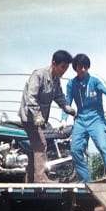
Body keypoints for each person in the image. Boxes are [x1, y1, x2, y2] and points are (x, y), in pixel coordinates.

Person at [19, 50, 76, 183]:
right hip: (29, 117)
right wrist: (37, 115)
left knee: (36, 146)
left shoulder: (55, 80)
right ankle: (40, 179)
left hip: (39, 119)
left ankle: (30, 179)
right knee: (41, 144)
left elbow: (59, 97)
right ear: (53, 64)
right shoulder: (39, 75)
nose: (64, 71)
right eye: (63, 67)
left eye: (66, 68)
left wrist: (68, 109)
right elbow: (30, 97)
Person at [61, 54, 106, 183]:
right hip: (80, 119)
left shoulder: (95, 80)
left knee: (103, 146)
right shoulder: (71, 83)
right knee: (75, 149)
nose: (82, 70)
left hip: (96, 118)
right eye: (80, 67)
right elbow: (67, 101)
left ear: (88, 67)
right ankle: (85, 179)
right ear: (75, 68)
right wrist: (64, 119)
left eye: (85, 67)